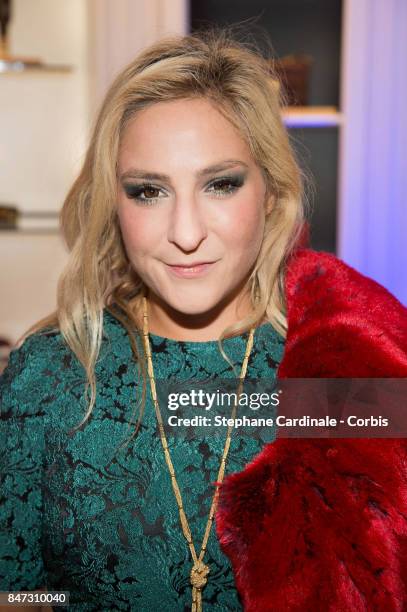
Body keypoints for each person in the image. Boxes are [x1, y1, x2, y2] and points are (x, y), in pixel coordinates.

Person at [1, 28, 407, 612]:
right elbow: (17, 590)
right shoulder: (51, 374)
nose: (186, 234)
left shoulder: (340, 364)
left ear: (270, 192)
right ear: (113, 204)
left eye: (220, 184)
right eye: (148, 191)